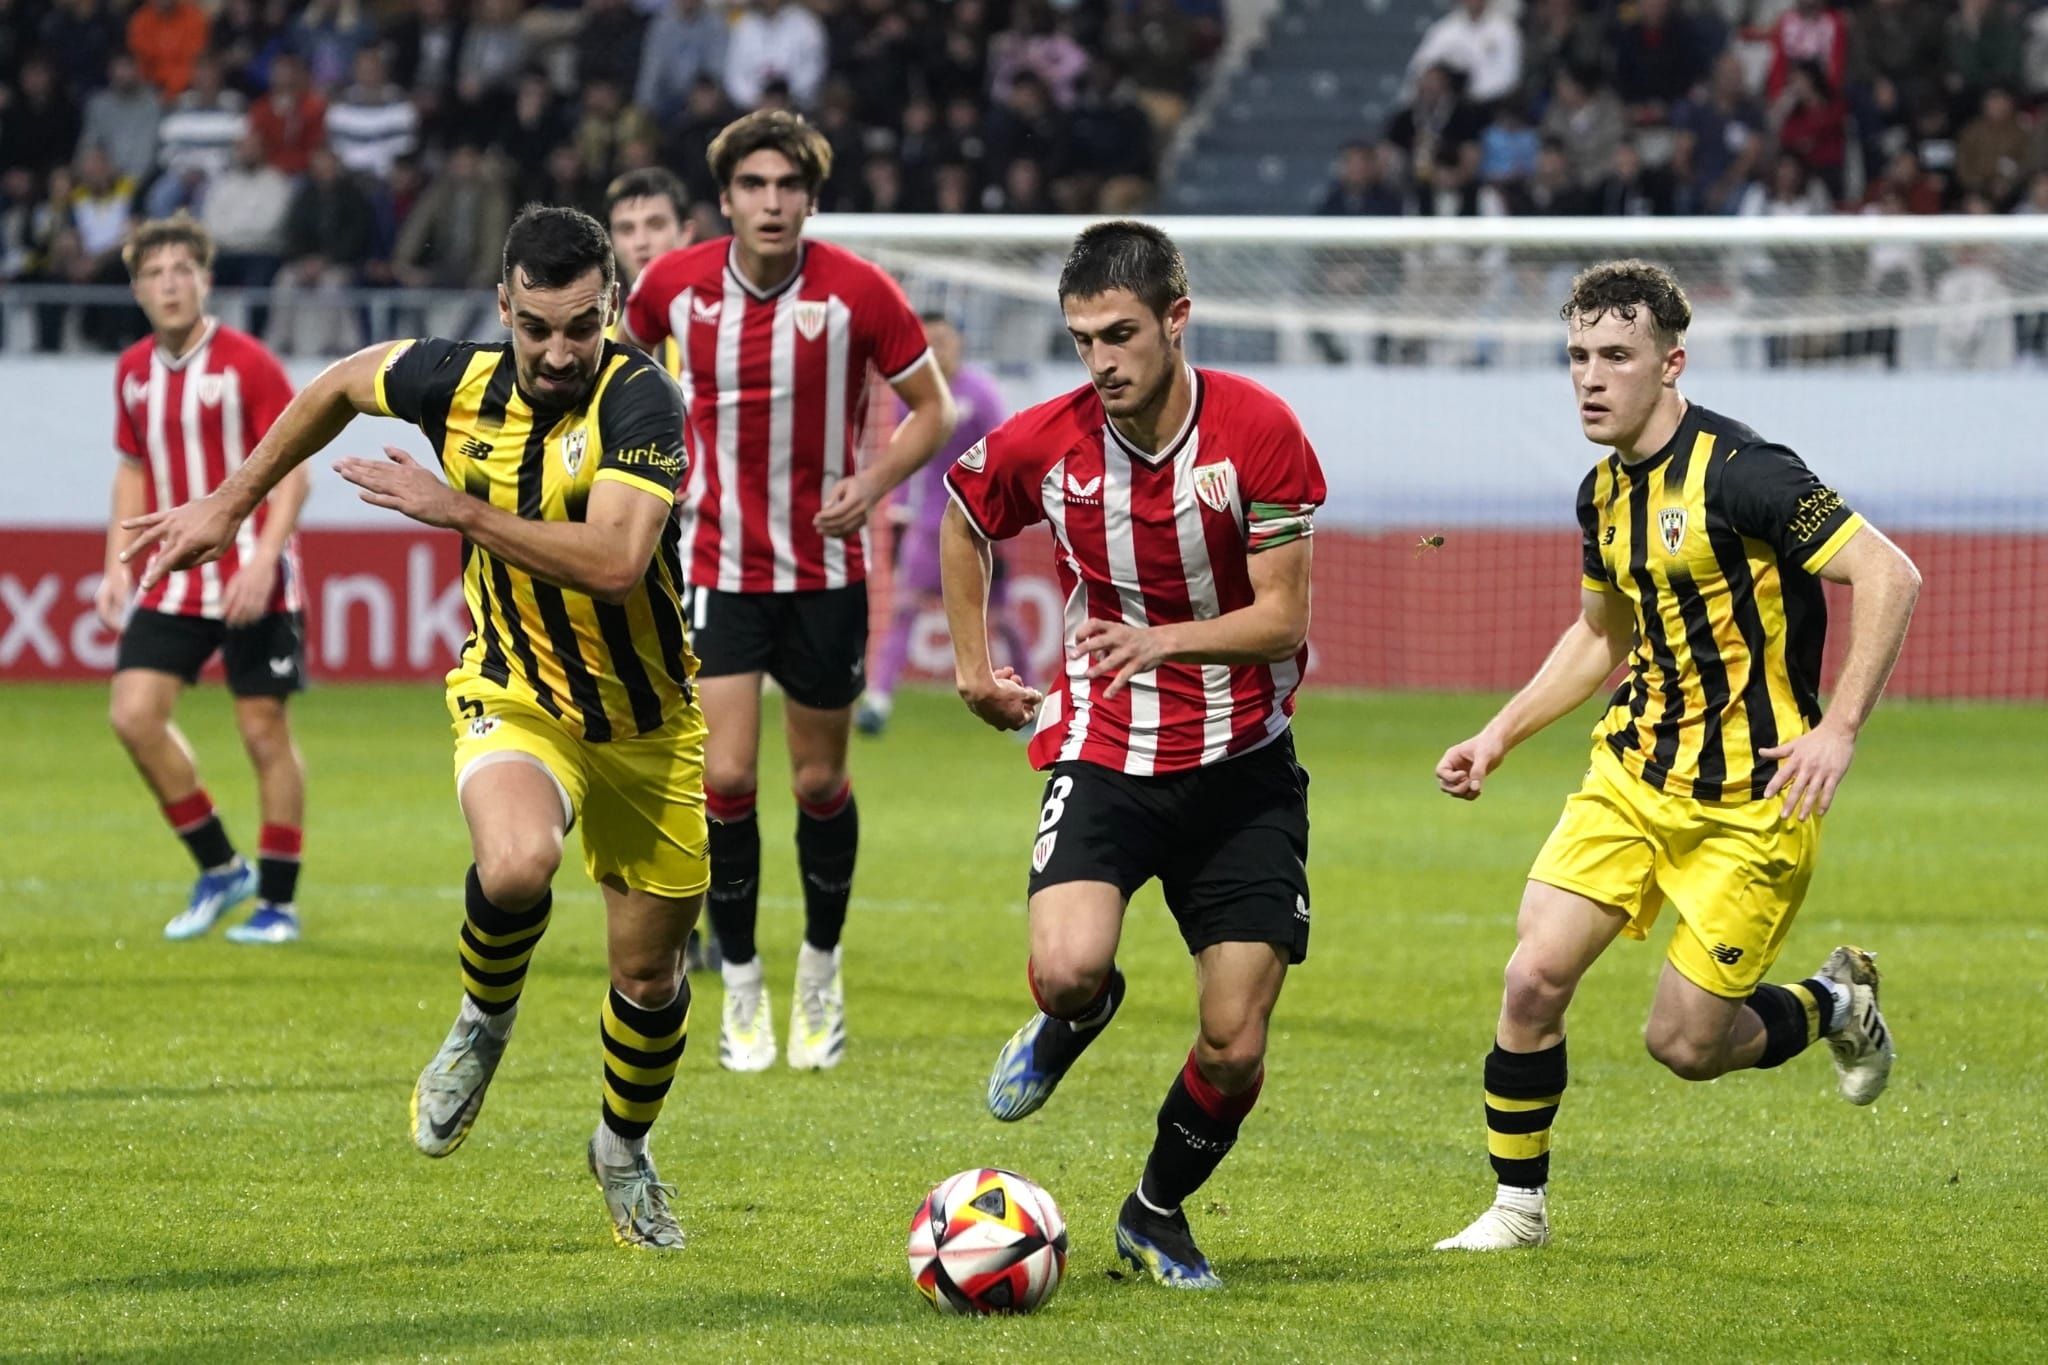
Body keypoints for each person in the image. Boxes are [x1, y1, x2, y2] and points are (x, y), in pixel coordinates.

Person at [122, 206, 707, 1252]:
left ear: (612, 309)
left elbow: (618, 564)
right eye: (537, 328)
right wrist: (229, 500)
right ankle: (483, 1022)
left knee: (649, 979)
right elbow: (343, 382)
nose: (559, 352)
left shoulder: (643, 398)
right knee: (518, 862)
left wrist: (461, 512)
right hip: (516, 689)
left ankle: (620, 1146)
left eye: (580, 327)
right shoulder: (458, 378)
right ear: (503, 310)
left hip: (649, 726)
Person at [1432, 260, 1921, 1252]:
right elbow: (1599, 637)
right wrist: (1497, 734)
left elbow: (1886, 571)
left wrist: (1838, 730)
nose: (1589, 377)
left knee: (1685, 1046)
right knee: (1530, 982)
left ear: (1669, 363)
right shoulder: (1599, 493)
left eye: (1614, 355)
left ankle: (1833, 1003)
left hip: (1753, 799)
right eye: (1576, 356)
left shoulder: (1743, 472)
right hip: (1632, 775)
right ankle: (1515, 1210)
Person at [940, 221, 1324, 1288]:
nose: (1102, 362)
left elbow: (1283, 620)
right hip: (1104, 749)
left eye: (1119, 335)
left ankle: (1154, 1212)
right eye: (1080, 341)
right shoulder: (1046, 441)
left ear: (1175, 319)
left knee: (1233, 1044)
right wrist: (973, 666)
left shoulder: (1259, 431)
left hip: (1244, 768)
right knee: (1065, 970)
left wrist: (1163, 639)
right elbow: (963, 514)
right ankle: (1079, 1012)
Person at [621, 110, 957, 1073]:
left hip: (826, 574)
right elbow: (612, 375)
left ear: (810, 199)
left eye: (789, 187)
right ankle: (741, 984)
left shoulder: (859, 291)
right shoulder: (672, 289)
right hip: (721, 566)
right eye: (755, 186)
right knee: (724, 778)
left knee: (816, 780)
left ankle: (820, 968)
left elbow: (929, 410)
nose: (773, 202)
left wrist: (876, 481)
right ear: (724, 201)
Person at [98, 214, 309, 946]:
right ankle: (220, 865)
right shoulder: (131, 372)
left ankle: (278, 900)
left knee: (262, 730)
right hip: (177, 575)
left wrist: (264, 558)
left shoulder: (247, 363)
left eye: (183, 270)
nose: (170, 284)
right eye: (155, 273)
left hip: (255, 574)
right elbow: (131, 468)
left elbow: (294, 471)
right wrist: (114, 564)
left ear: (205, 279)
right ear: (137, 289)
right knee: (132, 715)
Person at [603, 164, 715, 977]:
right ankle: (664, 909)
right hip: (640, 557)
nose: (640, 243)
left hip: (714, 550)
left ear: (686, 231)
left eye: (654, 227)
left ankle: (695, 915)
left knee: (702, 736)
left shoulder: (716, 317)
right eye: (628, 229)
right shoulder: (598, 337)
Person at [858, 312, 1020, 736]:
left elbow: (1003, 459)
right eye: (928, 343)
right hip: (927, 528)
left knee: (1002, 618)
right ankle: (877, 700)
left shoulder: (980, 393)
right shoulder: (908, 396)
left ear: (960, 344)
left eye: (944, 342)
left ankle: (1028, 698)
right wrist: (893, 509)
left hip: (980, 526)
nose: (937, 351)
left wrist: (1002, 524)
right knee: (904, 611)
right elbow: (893, 457)